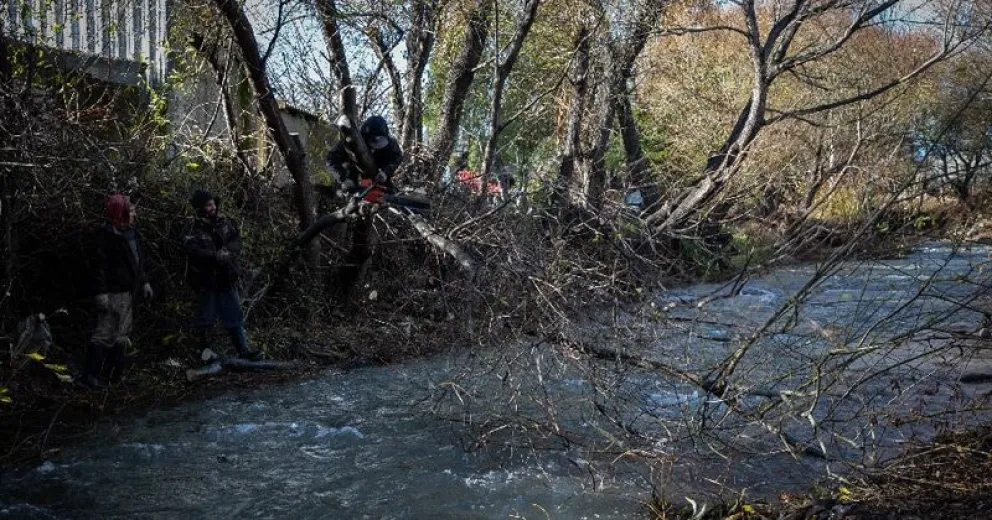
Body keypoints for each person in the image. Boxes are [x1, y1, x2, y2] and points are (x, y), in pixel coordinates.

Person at [80, 193, 153, 389]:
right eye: (131, 211)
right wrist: (101, 293)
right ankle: (90, 377)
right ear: (121, 214)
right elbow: (98, 267)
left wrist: (144, 282)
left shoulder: (131, 233)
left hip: (128, 292)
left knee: (121, 334)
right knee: (105, 333)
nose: (135, 214)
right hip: (112, 292)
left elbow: (137, 261)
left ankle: (115, 377)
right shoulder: (104, 237)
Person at [183, 190, 262, 361]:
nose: (213, 207)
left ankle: (243, 350)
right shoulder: (193, 228)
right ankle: (204, 354)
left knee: (234, 315)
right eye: (208, 205)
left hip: (227, 277)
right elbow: (192, 250)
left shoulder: (225, 222)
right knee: (206, 319)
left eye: (213, 204)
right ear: (200, 208)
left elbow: (236, 241)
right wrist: (215, 256)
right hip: (207, 280)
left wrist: (228, 252)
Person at [325, 115, 403, 196]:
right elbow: (330, 160)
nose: (377, 144)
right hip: (351, 176)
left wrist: (385, 172)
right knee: (347, 192)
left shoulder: (389, 143)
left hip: (376, 176)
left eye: (380, 139)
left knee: (394, 195)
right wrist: (343, 178)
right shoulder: (351, 142)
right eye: (375, 140)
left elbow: (397, 157)